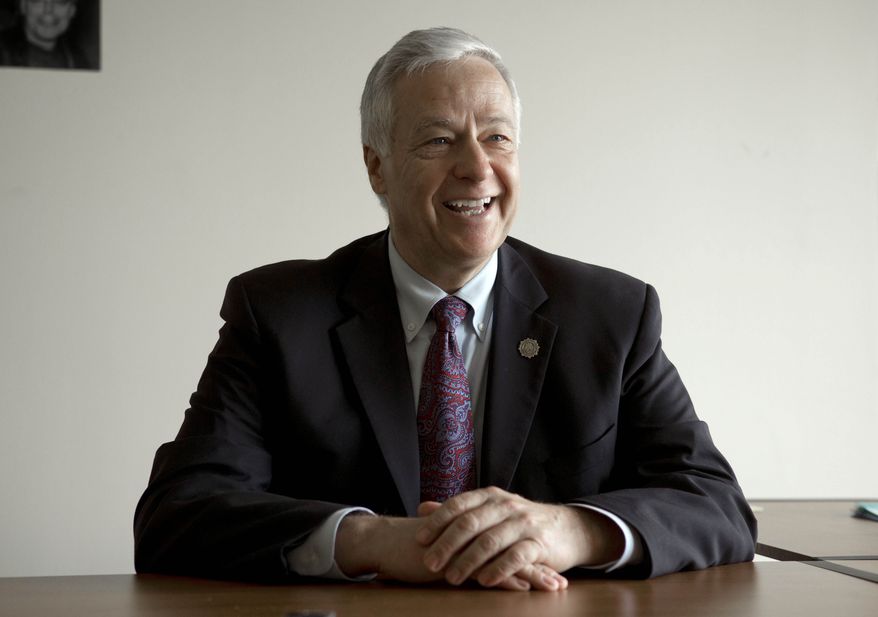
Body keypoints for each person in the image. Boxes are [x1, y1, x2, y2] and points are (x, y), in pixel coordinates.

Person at [134, 27, 757, 591]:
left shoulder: (611, 315)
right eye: (439, 140)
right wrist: (373, 541)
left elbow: (717, 506)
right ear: (377, 167)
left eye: (497, 138)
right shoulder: (278, 314)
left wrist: (572, 530)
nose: (477, 168)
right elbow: (177, 513)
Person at [0, 0, 85, 69]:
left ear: (72, 10)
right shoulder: (3, 55)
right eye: (38, 0)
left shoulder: (78, 61)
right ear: (23, 6)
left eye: (60, 1)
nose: (48, 10)